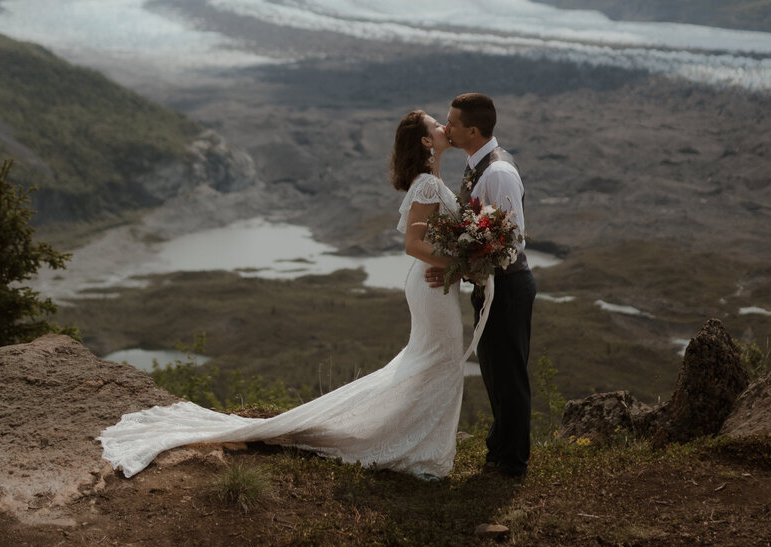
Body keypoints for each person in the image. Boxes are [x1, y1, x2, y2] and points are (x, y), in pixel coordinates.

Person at [97, 110, 489, 481]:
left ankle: (416, 445)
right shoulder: (427, 184)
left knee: (430, 362)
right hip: (432, 284)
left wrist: (461, 258)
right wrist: (460, 264)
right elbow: (413, 244)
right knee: (441, 361)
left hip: (434, 283)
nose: (445, 127)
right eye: (438, 124)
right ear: (425, 140)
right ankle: (418, 451)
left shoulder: (432, 181)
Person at [429, 92, 534, 479]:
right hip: (492, 285)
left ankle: (513, 462)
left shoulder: (498, 173)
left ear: (472, 130)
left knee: (508, 374)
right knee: (493, 370)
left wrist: (463, 267)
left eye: (452, 123)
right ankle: (499, 449)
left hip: (508, 286)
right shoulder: (479, 165)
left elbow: (513, 240)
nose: (446, 127)